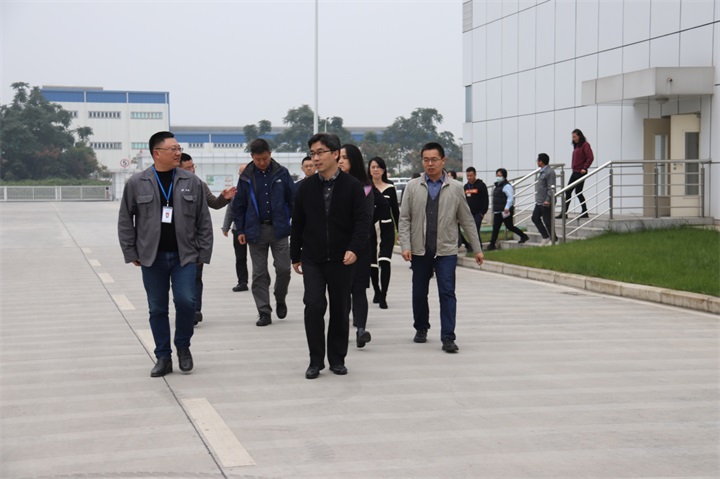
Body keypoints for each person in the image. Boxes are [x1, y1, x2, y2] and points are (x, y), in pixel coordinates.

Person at [118, 131, 213, 377]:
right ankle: (163, 356)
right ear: (156, 153)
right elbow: (126, 219)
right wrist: (131, 251)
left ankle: (183, 346)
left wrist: (204, 252)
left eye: (178, 148)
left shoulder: (191, 181)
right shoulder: (137, 182)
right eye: (173, 149)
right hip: (152, 257)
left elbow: (203, 219)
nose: (178, 153)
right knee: (157, 308)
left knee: (187, 302)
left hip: (185, 256)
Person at [291, 133, 370, 379]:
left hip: (342, 258)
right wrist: (295, 255)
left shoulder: (352, 186)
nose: (315, 158)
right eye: (312, 153)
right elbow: (298, 223)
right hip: (312, 257)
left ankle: (337, 359)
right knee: (313, 305)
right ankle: (315, 360)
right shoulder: (305, 188)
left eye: (320, 152)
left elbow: (362, 222)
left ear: (335, 154)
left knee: (340, 308)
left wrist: (354, 248)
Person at [398, 142, 483, 353]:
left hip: (446, 250)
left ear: (443, 161)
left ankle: (448, 337)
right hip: (420, 249)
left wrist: (477, 248)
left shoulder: (456, 188)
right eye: (426, 160)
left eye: (434, 159)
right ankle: (421, 327)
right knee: (419, 293)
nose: (430, 164)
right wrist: (405, 245)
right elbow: (405, 218)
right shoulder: (412, 187)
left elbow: (466, 220)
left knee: (447, 292)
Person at [232, 139, 295, 327]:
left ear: (270, 154)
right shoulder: (246, 177)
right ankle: (264, 311)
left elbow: (293, 200)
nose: (262, 162)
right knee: (259, 274)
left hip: (279, 230)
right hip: (255, 231)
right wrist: (240, 229)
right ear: (252, 157)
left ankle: (280, 297)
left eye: (265, 158)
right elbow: (239, 205)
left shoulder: (282, 173)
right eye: (258, 159)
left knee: (283, 269)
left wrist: (291, 220)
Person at [339, 144, 391, 348]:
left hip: (360, 245)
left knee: (359, 288)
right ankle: (343, 330)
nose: (340, 161)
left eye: (345, 157)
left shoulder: (365, 186)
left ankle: (361, 329)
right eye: (339, 157)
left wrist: (369, 223)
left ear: (354, 160)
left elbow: (383, 206)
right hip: (338, 245)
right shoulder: (333, 183)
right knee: (343, 290)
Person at [179, 153, 237, 324]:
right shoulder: (170, 186)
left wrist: (224, 198)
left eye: (193, 166)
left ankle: (195, 310)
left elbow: (214, 203)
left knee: (196, 277)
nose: (192, 170)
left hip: (195, 241)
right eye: (188, 168)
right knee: (179, 280)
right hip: (176, 241)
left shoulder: (200, 185)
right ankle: (184, 308)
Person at [368, 156, 399, 309]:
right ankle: (377, 290)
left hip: (386, 228)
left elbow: (396, 211)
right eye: (373, 167)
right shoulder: (366, 187)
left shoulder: (390, 187)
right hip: (370, 230)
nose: (376, 170)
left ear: (383, 170)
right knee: (372, 263)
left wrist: (401, 232)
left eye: (378, 167)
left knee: (385, 261)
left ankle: (384, 295)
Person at [485, 168, 530, 250]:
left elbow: (510, 198)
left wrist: (507, 207)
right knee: (496, 227)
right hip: (498, 210)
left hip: (505, 211)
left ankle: (523, 236)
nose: (498, 177)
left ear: (504, 176)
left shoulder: (507, 186)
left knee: (509, 226)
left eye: (500, 175)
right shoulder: (497, 186)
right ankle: (492, 244)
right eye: (497, 175)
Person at [222, 164, 250, 292]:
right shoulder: (236, 191)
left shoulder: (257, 189)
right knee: (240, 257)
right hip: (238, 229)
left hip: (255, 228)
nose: (243, 174)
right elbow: (230, 210)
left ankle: (263, 278)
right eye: (241, 172)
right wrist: (226, 227)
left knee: (259, 256)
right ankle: (242, 282)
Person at [560, 128, 594, 219]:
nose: (573, 139)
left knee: (578, 191)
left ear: (579, 136)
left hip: (581, 172)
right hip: (575, 171)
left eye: (575, 137)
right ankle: (564, 212)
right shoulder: (576, 146)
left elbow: (590, 157)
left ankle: (584, 211)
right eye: (573, 137)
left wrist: (585, 167)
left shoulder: (585, 145)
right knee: (568, 191)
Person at [532, 153, 557, 246]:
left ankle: (554, 239)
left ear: (541, 161)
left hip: (546, 201)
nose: (537, 162)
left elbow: (551, 187)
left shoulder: (549, 172)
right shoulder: (541, 171)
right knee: (535, 218)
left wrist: (548, 199)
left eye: (538, 160)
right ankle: (545, 237)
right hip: (539, 201)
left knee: (547, 221)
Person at [461, 166, 489, 252]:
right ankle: (474, 247)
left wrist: (482, 212)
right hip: (468, 213)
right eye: (467, 176)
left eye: (471, 175)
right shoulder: (466, 187)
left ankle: (477, 247)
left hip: (478, 213)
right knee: (470, 231)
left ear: (475, 175)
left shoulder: (481, 185)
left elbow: (485, 200)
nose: (469, 178)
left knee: (475, 229)